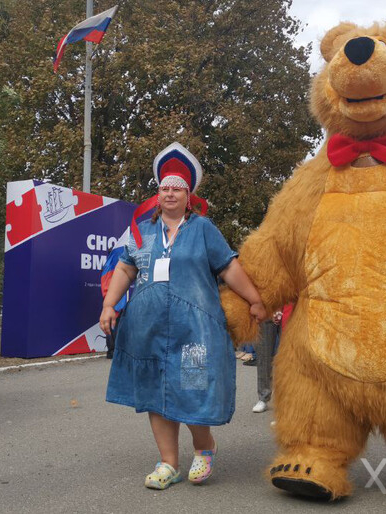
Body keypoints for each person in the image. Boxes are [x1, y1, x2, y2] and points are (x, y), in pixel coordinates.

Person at [101, 142, 267, 490]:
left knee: (193, 389)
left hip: (196, 331)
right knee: (155, 394)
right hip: (148, 329)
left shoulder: (203, 228)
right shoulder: (142, 231)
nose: (171, 192)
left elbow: (229, 267)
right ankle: (168, 463)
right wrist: (108, 305)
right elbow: (125, 269)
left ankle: (204, 447)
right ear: (157, 193)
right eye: (165, 187)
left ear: (189, 195)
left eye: (178, 188)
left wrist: (254, 299)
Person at [252, 311, 282, 413]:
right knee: (263, 355)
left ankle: (286, 400)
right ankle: (263, 397)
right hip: (265, 306)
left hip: (290, 304)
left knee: (288, 358)